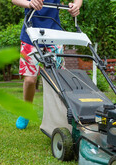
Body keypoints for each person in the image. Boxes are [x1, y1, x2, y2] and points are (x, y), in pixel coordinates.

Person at [12, 0, 83, 129]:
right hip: (30, 33)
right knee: (30, 80)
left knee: (57, 79)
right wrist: (29, 4)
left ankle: (57, 116)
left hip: (54, 33)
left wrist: (76, 5)